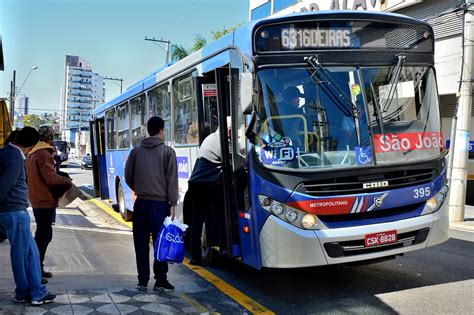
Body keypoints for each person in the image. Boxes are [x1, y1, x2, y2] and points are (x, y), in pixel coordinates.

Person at [0, 126, 56, 306]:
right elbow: (5, 185)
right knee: (25, 255)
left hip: (12, 212)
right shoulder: (15, 158)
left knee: (29, 252)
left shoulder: (5, 152)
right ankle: (34, 293)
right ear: (31, 146)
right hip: (15, 212)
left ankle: (27, 291)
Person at [125, 116, 178, 293]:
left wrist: (139, 189)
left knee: (140, 243)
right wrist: (173, 203)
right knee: (160, 243)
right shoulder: (168, 152)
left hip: (140, 203)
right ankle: (160, 280)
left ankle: (142, 281)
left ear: (148, 130)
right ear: (162, 131)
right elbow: (172, 180)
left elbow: (128, 176)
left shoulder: (136, 151)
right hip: (160, 205)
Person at [26, 125, 72, 281]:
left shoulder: (32, 153)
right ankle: (36, 271)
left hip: (37, 198)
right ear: (50, 138)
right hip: (44, 200)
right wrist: (67, 182)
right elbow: (51, 178)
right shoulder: (43, 154)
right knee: (43, 236)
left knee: (42, 235)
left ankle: (38, 268)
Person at [187, 118, 231, 266]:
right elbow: (239, 159)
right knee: (224, 212)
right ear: (229, 130)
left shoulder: (210, 137)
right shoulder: (222, 142)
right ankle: (224, 246)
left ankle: (195, 257)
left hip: (195, 184)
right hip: (206, 185)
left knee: (197, 222)